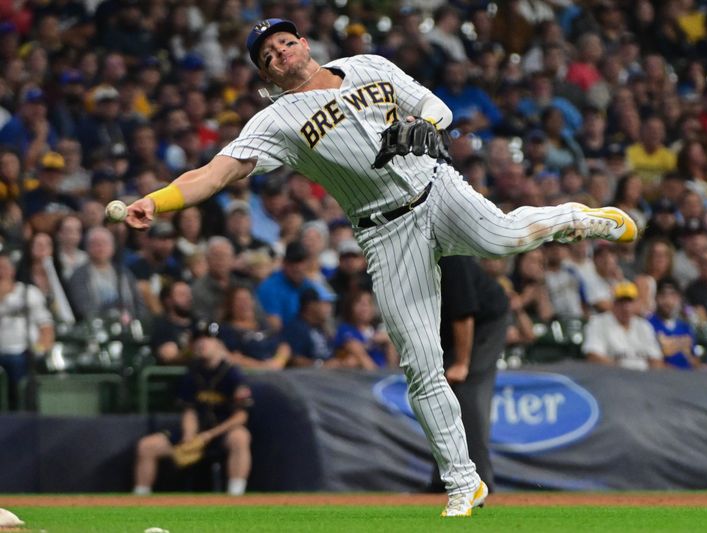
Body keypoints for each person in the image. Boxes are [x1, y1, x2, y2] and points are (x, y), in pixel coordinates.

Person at [124, 18, 637, 517]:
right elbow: (215, 173)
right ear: (267, 76)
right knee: (419, 361)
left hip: (437, 188)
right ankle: (464, 483)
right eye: (268, 57)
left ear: (304, 43)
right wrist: (158, 200)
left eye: (284, 43)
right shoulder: (275, 121)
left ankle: (578, 218)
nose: (280, 54)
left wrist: (423, 125)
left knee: (502, 237)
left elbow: (437, 109)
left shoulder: (368, 65)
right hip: (384, 233)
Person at [133, 321, 253, 496]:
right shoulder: (192, 373)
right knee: (147, 446)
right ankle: (139, 498)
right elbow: (189, 410)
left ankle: (235, 496)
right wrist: (189, 435)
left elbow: (241, 416)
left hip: (220, 433)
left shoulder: (232, 373)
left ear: (219, 343)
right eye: (197, 338)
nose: (202, 343)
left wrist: (209, 435)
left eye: (208, 338)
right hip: (198, 432)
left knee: (241, 437)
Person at [428, 255, 509, 494]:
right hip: (448, 331)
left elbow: (464, 313)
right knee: (440, 399)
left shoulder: (450, 258)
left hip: (484, 322)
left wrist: (462, 363)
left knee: (466, 395)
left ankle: (478, 481)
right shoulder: (409, 262)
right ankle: (442, 480)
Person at [0, 251, 54, 409]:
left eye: (4, 267)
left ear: (12, 270)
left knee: (18, 363)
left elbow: (46, 327)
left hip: (25, 353)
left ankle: (19, 412)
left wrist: (39, 349)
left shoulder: (29, 293)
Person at [582, 281, 664, 371]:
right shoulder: (598, 323)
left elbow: (656, 360)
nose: (626, 307)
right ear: (613, 303)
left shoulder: (644, 326)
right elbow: (593, 356)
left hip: (643, 379)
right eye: (621, 302)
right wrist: (622, 371)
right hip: (611, 378)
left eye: (630, 302)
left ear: (636, 303)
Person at [333, 289, 396, 369]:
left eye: (368, 303)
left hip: (384, 374)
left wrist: (389, 340)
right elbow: (359, 354)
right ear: (350, 307)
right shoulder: (345, 329)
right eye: (360, 303)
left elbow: (392, 365)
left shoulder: (377, 330)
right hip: (365, 378)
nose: (364, 307)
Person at [647, 278, 699, 369]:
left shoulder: (686, 327)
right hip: (660, 380)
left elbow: (695, 360)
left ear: (679, 299)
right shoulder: (648, 325)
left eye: (673, 296)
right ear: (656, 298)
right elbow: (651, 362)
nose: (668, 301)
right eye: (663, 296)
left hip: (689, 379)